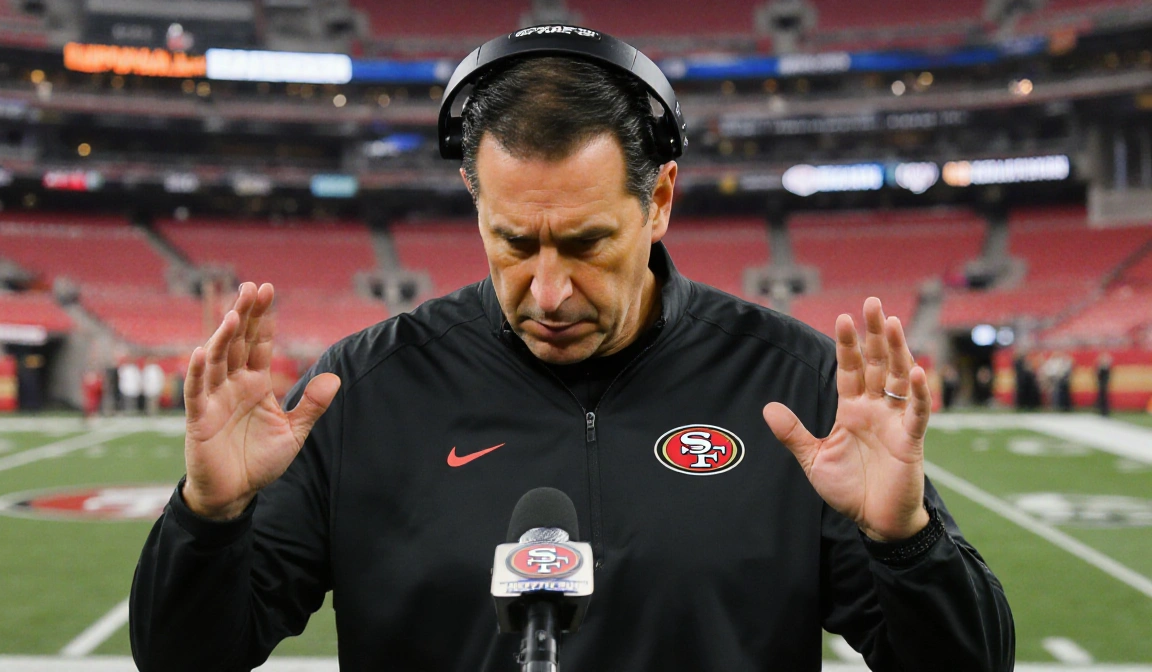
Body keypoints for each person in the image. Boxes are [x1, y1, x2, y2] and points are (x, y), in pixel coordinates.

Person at [130, 29, 1013, 672]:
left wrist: (906, 541)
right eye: (514, 242)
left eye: (586, 244)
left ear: (660, 199)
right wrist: (208, 519)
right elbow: (184, 660)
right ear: (475, 203)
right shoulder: (361, 389)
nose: (547, 290)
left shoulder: (794, 385)